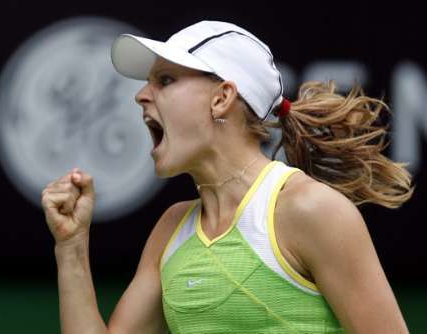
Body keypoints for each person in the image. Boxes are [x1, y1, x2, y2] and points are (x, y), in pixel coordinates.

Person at [41, 20, 414, 333]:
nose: (141, 95)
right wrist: (71, 247)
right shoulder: (170, 229)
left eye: (165, 80)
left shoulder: (313, 210)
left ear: (221, 98)